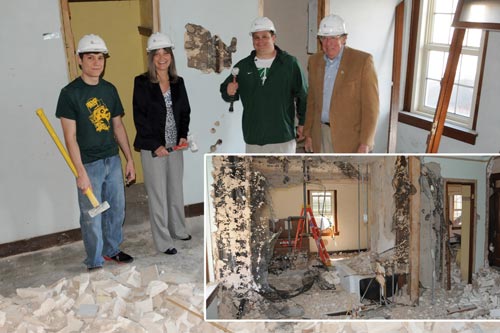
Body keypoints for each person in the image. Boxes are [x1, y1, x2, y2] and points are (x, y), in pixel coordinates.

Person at [56, 34, 135, 271]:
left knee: (117, 209)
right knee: (92, 215)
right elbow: (70, 138)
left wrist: (129, 159)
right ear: (79, 60)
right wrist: (80, 172)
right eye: (90, 58)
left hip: (112, 159)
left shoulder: (109, 90)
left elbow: (118, 126)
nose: (96, 63)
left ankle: (111, 250)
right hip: (89, 164)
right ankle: (94, 260)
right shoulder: (70, 93)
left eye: (100, 57)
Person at [133, 32, 191, 256]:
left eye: (165, 52)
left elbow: (184, 111)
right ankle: (163, 240)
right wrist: (155, 144)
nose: (161, 57)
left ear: (171, 56)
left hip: (175, 145)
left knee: (175, 189)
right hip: (153, 147)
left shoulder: (178, 82)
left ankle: (179, 228)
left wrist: (183, 135)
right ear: (151, 58)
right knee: (158, 194)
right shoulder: (142, 82)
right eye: (156, 54)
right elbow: (140, 117)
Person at [220, 17, 308, 153]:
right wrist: (228, 90)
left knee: (284, 175)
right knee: (256, 175)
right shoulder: (243, 66)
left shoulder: (289, 64)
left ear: (274, 38)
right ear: (252, 40)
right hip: (254, 139)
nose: (260, 41)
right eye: (256, 37)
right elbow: (227, 93)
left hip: (283, 139)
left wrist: (303, 122)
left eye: (265, 37)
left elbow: (303, 94)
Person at [304, 14, 379, 153]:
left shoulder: (362, 61)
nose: (328, 43)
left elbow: (371, 108)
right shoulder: (314, 61)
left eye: (334, 37)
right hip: (320, 135)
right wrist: (308, 133)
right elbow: (312, 101)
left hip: (350, 140)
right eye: (324, 38)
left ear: (344, 39)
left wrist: (366, 143)